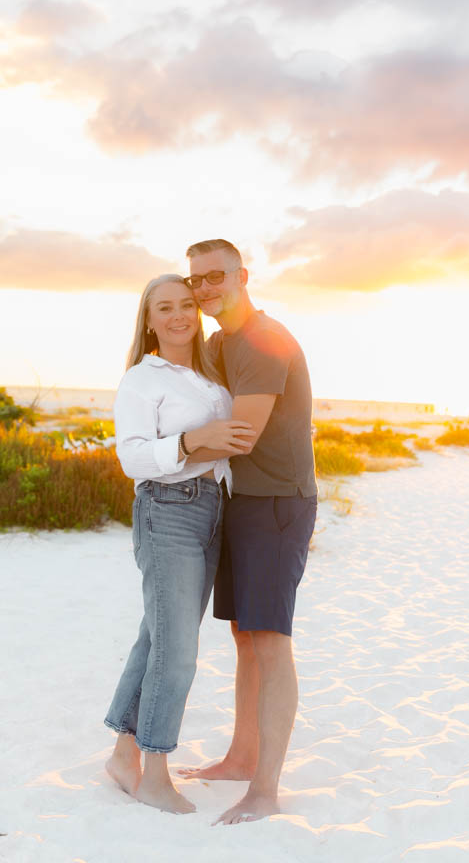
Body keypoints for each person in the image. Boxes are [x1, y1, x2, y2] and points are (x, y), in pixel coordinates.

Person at [178, 239, 317, 824]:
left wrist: (172, 449)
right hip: (243, 501)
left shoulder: (264, 339)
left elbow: (241, 435)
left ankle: (265, 789)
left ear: (241, 275)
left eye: (215, 276)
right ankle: (241, 757)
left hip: (279, 503)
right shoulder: (217, 342)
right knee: (243, 635)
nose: (205, 288)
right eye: (195, 281)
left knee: (270, 640)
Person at [104, 274, 255, 814]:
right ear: (148, 320)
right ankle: (155, 772)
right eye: (163, 308)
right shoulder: (143, 380)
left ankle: (124, 756)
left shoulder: (210, 374)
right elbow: (134, 458)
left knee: (159, 637)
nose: (177, 316)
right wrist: (196, 440)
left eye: (186, 305)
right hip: (167, 510)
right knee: (178, 652)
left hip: (212, 509)